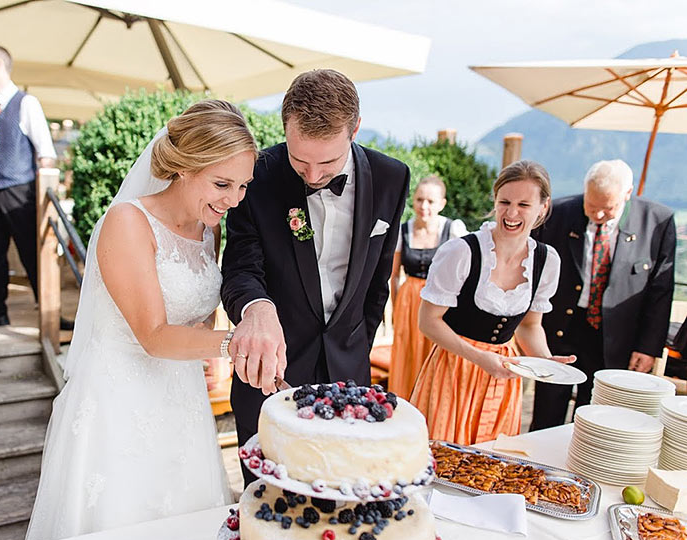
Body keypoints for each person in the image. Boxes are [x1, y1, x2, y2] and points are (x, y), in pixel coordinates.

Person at [24, 100, 257, 540]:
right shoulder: (129, 222)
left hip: (182, 401)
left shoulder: (211, 228)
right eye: (222, 183)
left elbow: (200, 317)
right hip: (121, 402)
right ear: (184, 167)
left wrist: (214, 343)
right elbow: (152, 335)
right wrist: (238, 343)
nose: (233, 200)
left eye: (242, 186)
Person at [221, 69, 409, 485]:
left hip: (350, 377)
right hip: (269, 376)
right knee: (268, 507)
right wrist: (256, 308)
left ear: (355, 129)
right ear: (285, 126)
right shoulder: (258, 174)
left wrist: (355, 345)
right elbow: (240, 266)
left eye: (327, 162)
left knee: (343, 499)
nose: (311, 175)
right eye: (299, 158)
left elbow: (378, 281)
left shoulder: (392, 178)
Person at [410, 160, 573, 445]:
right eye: (504, 202)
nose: (511, 213)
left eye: (524, 204)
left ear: (543, 208)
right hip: (454, 368)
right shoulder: (462, 251)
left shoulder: (546, 261)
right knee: (442, 457)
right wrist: (478, 357)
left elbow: (530, 326)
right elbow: (428, 321)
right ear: (495, 201)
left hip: (504, 376)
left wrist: (545, 361)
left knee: (489, 466)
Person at [529, 160, 676, 431]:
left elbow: (660, 290)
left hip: (614, 335)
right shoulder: (557, 213)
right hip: (560, 327)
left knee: (595, 416)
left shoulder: (658, 222)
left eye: (607, 209)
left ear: (627, 193)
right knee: (547, 412)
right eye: (591, 206)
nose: (597, 215)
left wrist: (648, 347)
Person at [0, 44, 63, 327]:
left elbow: (46, 153)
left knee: (31, 251)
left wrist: (45, 192)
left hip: (21, 190)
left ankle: (49, 310)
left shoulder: (26, 103)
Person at [388, 175, 466, 399]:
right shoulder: (403, 231)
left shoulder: (453, 230)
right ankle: (405, 401)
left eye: (431, 201)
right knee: (408, 353)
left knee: (436, 352)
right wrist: (397, 309)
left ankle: (433, 404)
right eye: (420, 199)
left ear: (442, 203)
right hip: (409, 299)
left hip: (441, 303)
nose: (424, 206)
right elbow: (394, 276)